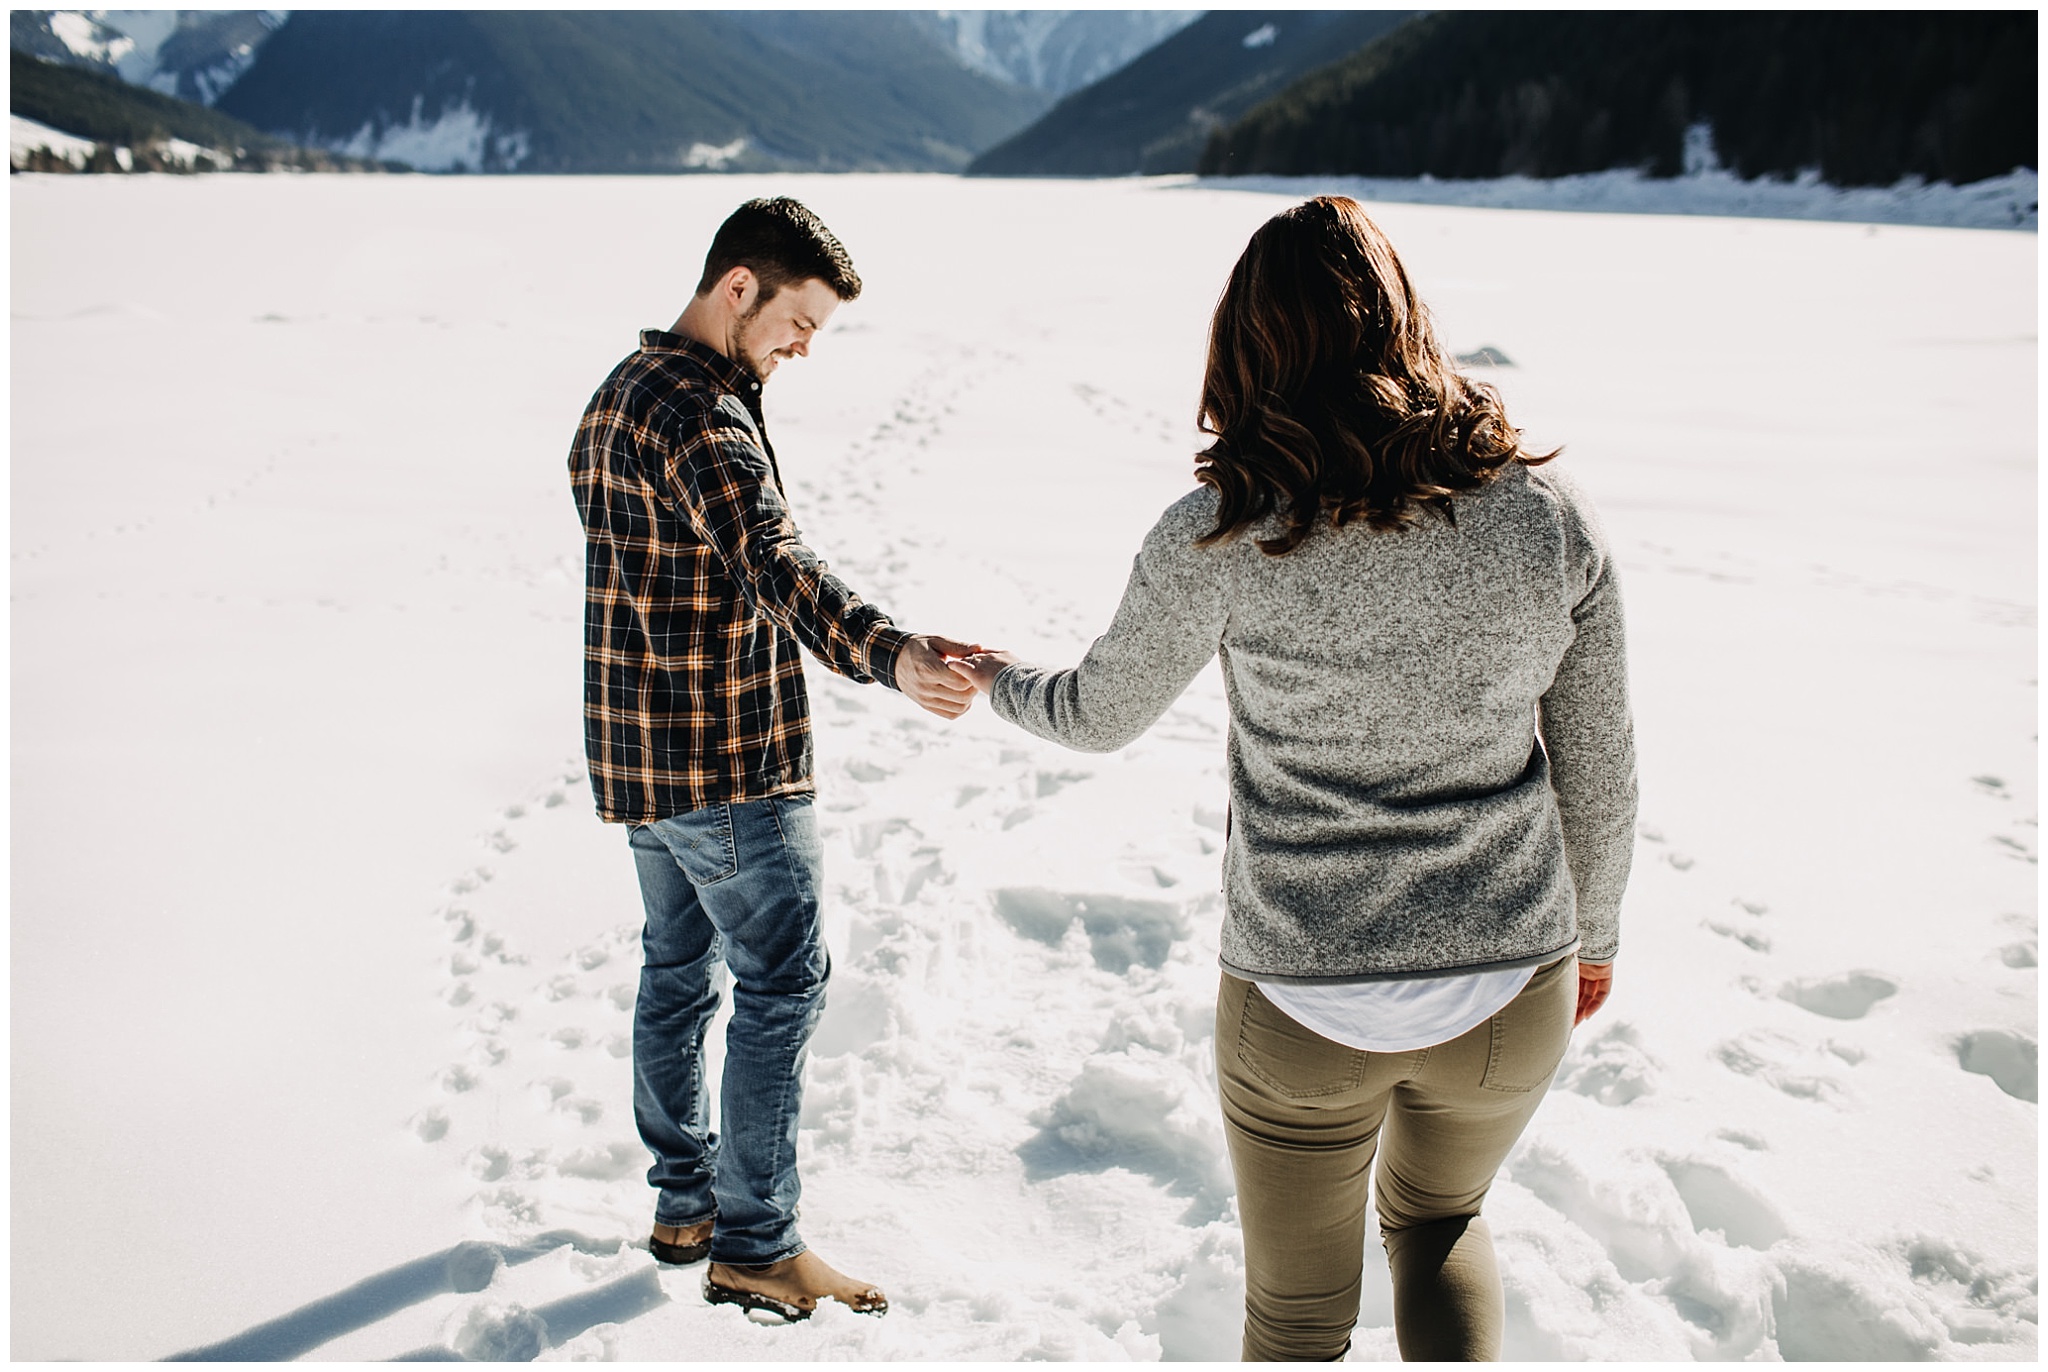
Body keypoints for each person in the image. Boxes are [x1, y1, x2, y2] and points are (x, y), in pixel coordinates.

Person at [950, 196, 1636, 1361]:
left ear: (1245, 350)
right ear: (1404, 325)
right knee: (1440, 1220)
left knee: (1298, 1321)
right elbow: (1600, 767)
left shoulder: (1219, 530)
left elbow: (1098, 713)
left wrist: (1000, 678)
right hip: (1506, 986)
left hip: (1301, 999)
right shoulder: (1544, 518)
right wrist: (1595, 941)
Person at [568, 196, 979, 1323]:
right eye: (798, 320)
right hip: (729, 763)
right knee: (781, 982)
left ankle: (684, 1203)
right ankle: (755, 1242)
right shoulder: (702, 414)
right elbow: (772, 560)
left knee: (675, 971)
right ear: (736, 286)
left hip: (641, 761)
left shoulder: (617, 393)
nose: (804, 347)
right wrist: (887, 653)